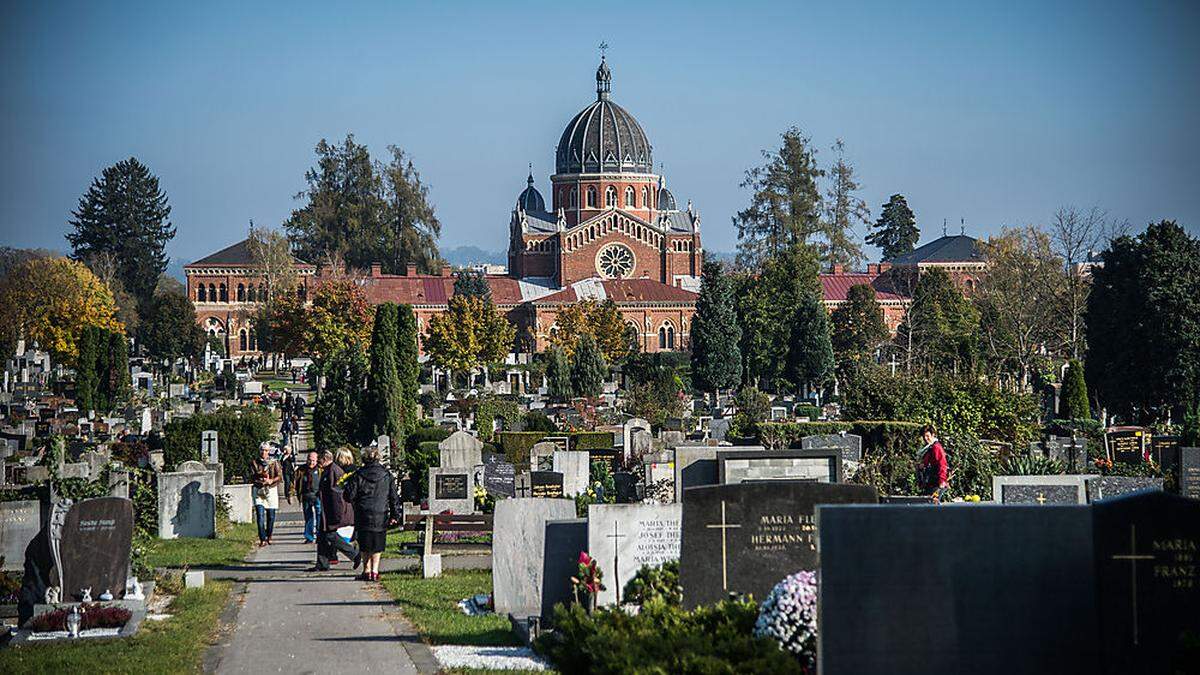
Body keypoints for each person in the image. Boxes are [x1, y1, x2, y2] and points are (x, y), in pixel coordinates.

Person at [342, 446, 400, 582]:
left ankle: (366, 570)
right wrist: (395, 515)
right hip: (381, 512)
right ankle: (375, 571)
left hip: (363, 512)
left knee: (364, 542)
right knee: (377, 542)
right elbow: (393, 497)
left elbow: (349, 495)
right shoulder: (387, 475)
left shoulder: (358, 475)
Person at [313, 449, 361, 571]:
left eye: (319, 459)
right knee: (323, 536)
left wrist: (337, 514)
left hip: (334, 510)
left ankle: (354, 554)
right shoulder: (328, 470)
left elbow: (337, 495)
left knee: (330, 535)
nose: (318, 462)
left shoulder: (333, 471)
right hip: (327, 510)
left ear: (325, 459)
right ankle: (322, 563)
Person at [252, 442, 283, 545]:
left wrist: (271, 480)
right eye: (262, 450)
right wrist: (260, 479)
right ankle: (262, 538)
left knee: (271, 516)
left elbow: (279, 476)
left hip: (271, 490)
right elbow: (251, 476)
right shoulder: (254, 463)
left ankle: (269, 534)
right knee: (260, 516)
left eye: (266, 450)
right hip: (259, 490)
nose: (263, 452)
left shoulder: (274, 462)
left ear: (269, 451)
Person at [917, 424, 949, 503]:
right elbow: (928, 461)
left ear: (933, 435)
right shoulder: (930, 447)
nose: (925, 438)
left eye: (927, 436)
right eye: (924, 436)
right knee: (929, 503)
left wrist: (942, 481)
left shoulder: (936, 447)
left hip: (937, 482)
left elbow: (942, 464)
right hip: (931, 481)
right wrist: (923, 465)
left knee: (931, 503)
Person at [295, 451, 322, 543]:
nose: (311, 463)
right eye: (310, 460)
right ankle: (309, 537)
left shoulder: (320, 470)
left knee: (319, 516)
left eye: (314, 461)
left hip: (318, 496)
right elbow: (295, 482)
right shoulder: (301, 470)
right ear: (307, 460)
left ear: (317, 460)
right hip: (306, 495)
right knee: (308, 517)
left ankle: (320, 536)